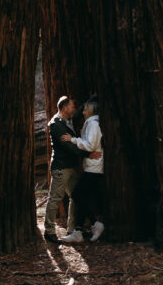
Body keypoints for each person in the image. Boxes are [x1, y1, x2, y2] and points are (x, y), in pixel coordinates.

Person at [60, 97, 105, 243]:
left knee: (77, 195)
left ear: (91, 110)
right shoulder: (91, 123)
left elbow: (90, 145)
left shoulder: (93, 124)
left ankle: (95, 224)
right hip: (92, 166)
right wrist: (91, 98)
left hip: (94, 167)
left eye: (86, 109)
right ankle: (78, 231)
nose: (83, 111)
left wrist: (73, 140)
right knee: (81, 197)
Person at [43, 95, 82, 244]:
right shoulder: (56, 124)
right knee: (55, 198)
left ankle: (72, 229)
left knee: (76, 196)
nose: (74, 109)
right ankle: (49, 231)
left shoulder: (68, 119)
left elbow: (78, 112)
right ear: (64, 108)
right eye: (71, 106)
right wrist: (86, 153)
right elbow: (67, 146)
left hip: (71, 167)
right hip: (61, 168)